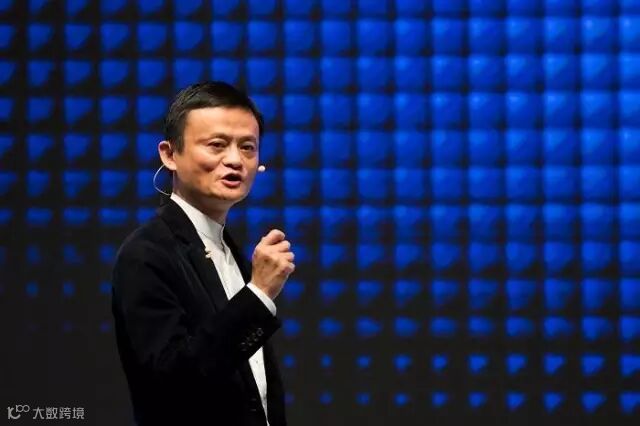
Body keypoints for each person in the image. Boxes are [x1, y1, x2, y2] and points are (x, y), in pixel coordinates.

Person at [111, 81, 294, 426]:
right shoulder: (146, 253)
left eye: (248, 147)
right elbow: (173, 382)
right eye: (217, 145)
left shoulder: (229, 249)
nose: (235, 160)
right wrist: (258, 295)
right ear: (169, 155)